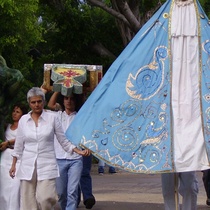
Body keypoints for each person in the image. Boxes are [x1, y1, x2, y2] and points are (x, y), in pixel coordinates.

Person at [9, 87, 90, 210]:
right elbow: (19, 144)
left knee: (45, 198)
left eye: (39, 101)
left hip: (47, 163)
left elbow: (63, 140)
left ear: (43, 101)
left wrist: (78, 151)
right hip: (27, 164)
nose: (37, 105)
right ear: (29, 103)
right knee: (27, 201)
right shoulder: (24, 120)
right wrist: (14, 164)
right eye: (33, 102)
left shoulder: (52, 117)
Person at [47, 91, 84, 210]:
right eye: (66, 98)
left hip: (75, 158)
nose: (69, 101)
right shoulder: (57, 115)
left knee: (72, 192)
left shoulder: (80, 116)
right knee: (61, 193)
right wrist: (58, 89)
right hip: (59, 157)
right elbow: (50, 105)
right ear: (62, 100)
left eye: (72, 99)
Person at [0, 103, 28, 210]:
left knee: (15, 187)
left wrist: (8, 142)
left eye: (18, 112)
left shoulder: (24, 127)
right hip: (5, 157)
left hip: (18, 157)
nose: (14, 114)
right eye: (14, 111)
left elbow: (22, 139)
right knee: (4, 187)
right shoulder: (6, 126)